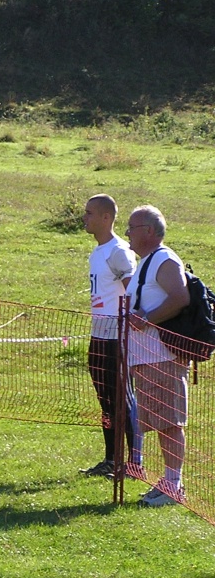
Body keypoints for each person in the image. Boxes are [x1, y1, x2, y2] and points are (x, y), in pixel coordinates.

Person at [124, 206, 191, 507]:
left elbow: (180, 297)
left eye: (132, 227)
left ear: (149, 231)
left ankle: (173, 486)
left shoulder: (164, 260)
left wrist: (147, 319)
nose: (127, 233)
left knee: (169, 422)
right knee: (161, 421)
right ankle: (168, 483)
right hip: (147, 358)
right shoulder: (146, 262)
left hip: (162, 357)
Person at [80, 194, 142, 478]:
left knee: (122, 400)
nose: (85, 217)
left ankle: (134, 463)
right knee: (105, 400)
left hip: (118, 337)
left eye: (89, 213)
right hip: (98, 335)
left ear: (106, 218)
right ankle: (111, 459)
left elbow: (134, 293)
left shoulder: (119, 251)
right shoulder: (97, 252)